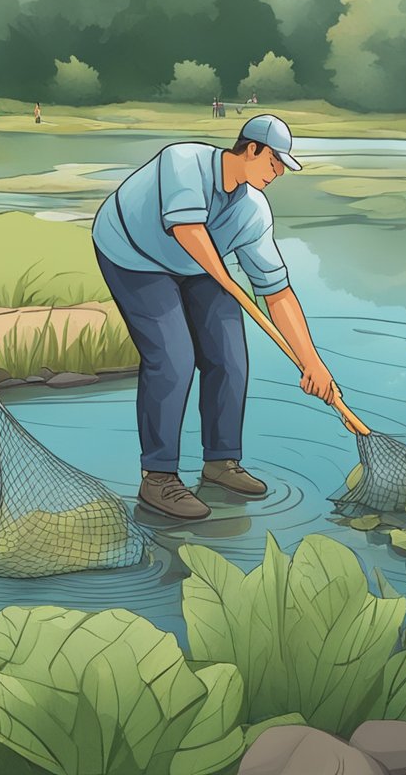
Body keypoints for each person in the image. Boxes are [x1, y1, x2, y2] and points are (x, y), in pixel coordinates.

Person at [91, 114, 339, 520]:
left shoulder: (253, 211)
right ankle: (158, 476)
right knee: (173, 359)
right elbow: (188, 230)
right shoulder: (183, 161)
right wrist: (227, 280)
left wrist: (313, 362)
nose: (277, 172)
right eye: (275, 162)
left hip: (201, 267)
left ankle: (221, 461)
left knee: (230, 358)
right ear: (253, 149)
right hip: (134, 255)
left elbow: (277, 293)